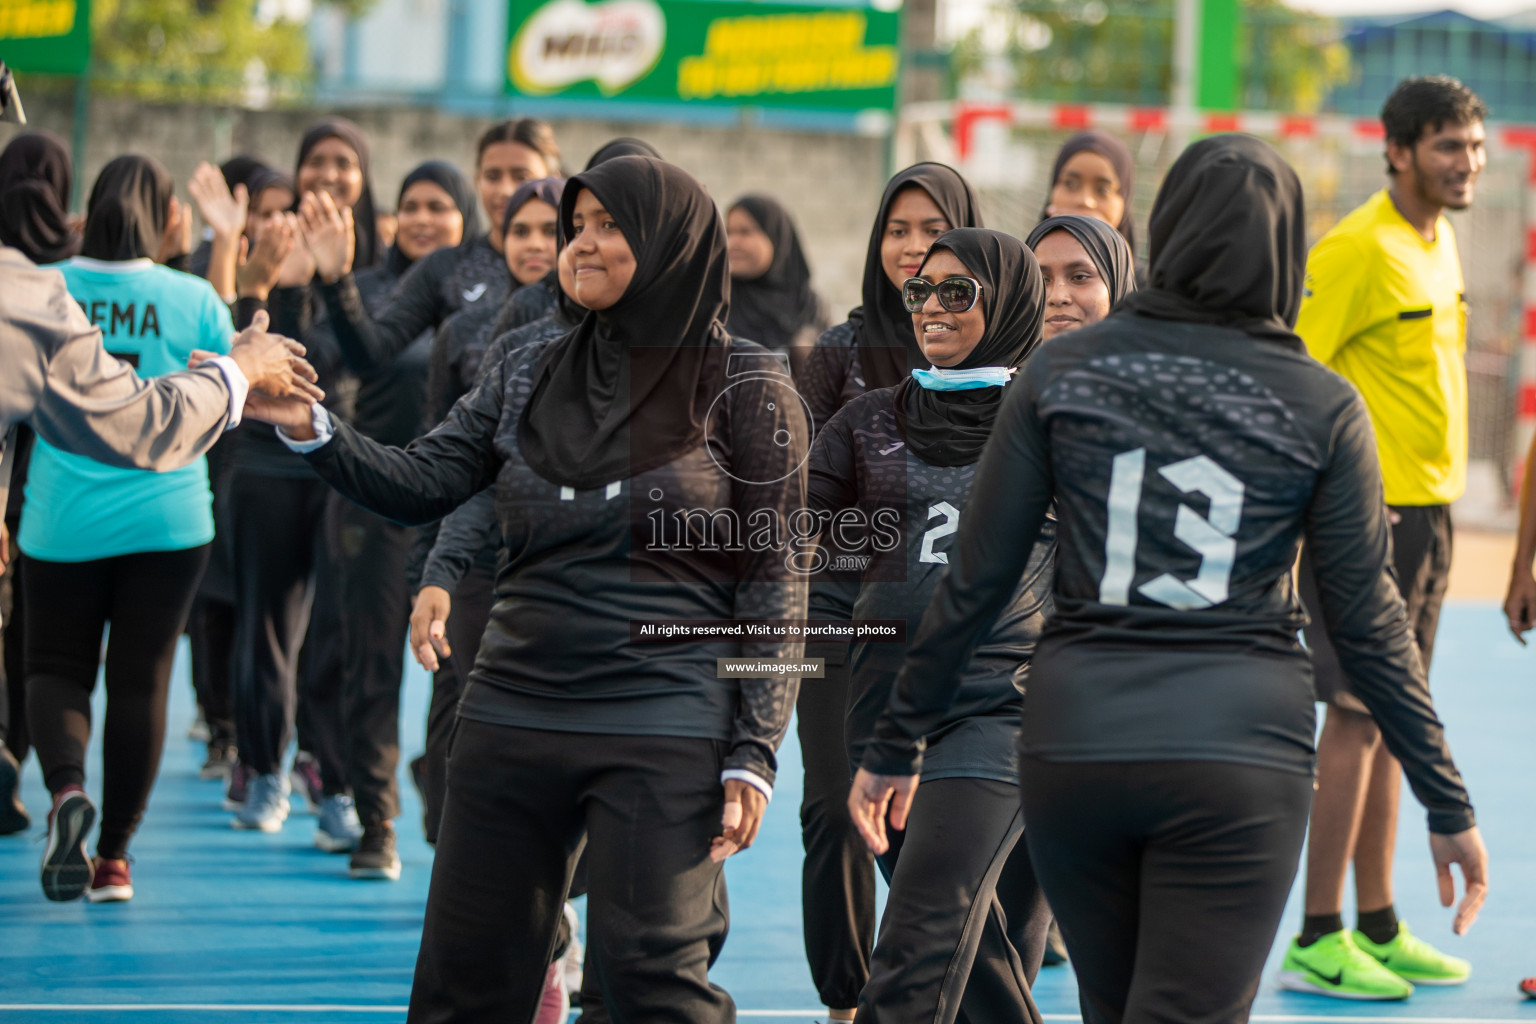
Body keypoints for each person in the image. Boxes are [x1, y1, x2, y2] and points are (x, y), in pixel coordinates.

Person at [848, 134, 1489, 1024]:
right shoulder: (1319, 401)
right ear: (1286, 245)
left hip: (1080, 739)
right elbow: (1371, 624)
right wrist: (1444, 796)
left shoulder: (1062, 374)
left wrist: (893, 740)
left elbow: (977, 580)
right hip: (1236, 746)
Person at [247, 154, 808, 1023]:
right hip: (512, 706)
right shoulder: (522, 361)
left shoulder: (748, 385)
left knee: (652, 985)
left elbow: (774, 582)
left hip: (663, 716)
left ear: (669, 246)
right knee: (466, 982)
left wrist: (755, 749)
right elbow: (423, 477)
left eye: (608, 227)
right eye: (576, 225)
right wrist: (313, 429)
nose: (577, 246)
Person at [1281, 75, 1488, 1000]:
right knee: (1356, 722)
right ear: (1398, 149)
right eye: (1448, 146)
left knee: (1395, 727)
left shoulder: (1437, 241)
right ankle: (1319, 933)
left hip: (1433, 519)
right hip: (1371, 520)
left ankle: (1377, 922)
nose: (1467, 163)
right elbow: (1294, 373)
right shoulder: (1357, 247)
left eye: (1475, 147)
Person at [825, 228, 1053, 1023]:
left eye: (959, 293)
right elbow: (796, 550)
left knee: (916, 946)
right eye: (921, 292)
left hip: (998, 707)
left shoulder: (1053, 418)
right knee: (972, 955)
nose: (931, 308)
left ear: (1009, 303)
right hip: (880, 713)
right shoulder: (865, 421)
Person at [794, 161, 983, 1023]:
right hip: (841, 613)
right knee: (837, 810)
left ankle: (947, 986)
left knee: (939, 837)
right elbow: (793, 493)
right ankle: (847, 1002)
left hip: (966, 629)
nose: (912, 248)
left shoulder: (1002, 352)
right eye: (896, 229)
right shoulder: (842, 353)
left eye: (931, 228)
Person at [21, 154, 238, 903]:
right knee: (141, 678)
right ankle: (113, 858)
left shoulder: (44, 290)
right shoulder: (196, 295)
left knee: (55, 667)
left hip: (63, 516)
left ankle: (64, 792)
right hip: (171, 517)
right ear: (167, 214)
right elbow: (227, 397)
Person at [295, 159, 480, 873]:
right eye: (412, 205)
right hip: (375, 499)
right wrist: (324, 282)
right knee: (367, 659)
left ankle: (446, 799)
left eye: (440, 204)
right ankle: (375, 816)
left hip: (459, 503)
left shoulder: (491, 298)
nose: (425, 217)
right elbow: (342, 359)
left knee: (457, 670)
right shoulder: (369, 290)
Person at [224, 117, 380, 833]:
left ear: (363, 176)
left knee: (338, 630)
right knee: (266, 621)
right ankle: (263, 768)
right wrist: (278, 283)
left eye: (344, 163)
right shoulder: (275, 243)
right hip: (264, 462)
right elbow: (259, 352)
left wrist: (338, 275)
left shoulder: (379, 264)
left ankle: (333, 776)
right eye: (316, 160)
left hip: (345, 460)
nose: (329, 174)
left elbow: (356, 358)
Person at [315, 118, 560, 364]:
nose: (505, 190)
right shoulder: (446, 266)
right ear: (477, 180)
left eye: (521, 176)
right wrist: (337, 281)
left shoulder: (574, 264)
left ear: (553, 178)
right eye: (492, 176)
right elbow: (372, 351)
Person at [0, 129, 83, 835]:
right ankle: (19, 767)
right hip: (56, 494)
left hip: (8, 482)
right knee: (36, 643)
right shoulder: (70, 276)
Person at [724, 194, 827, 372]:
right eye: (729, 232)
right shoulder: (718, 300)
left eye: (745, 232)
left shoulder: (810, 306)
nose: (732, 243)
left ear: (776, 236)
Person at [1025, 214, 1137, 342]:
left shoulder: (1153, 360)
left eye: (1079, 277)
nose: (1057, 297)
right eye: (1042, 280)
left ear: (1117, 284)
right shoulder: (1002, 360)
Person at [1040, 131, 1136, 254]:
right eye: (1070, 184)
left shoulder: (1143, 273)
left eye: (1103, 190)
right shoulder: (1021, 270)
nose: (1085, 201)